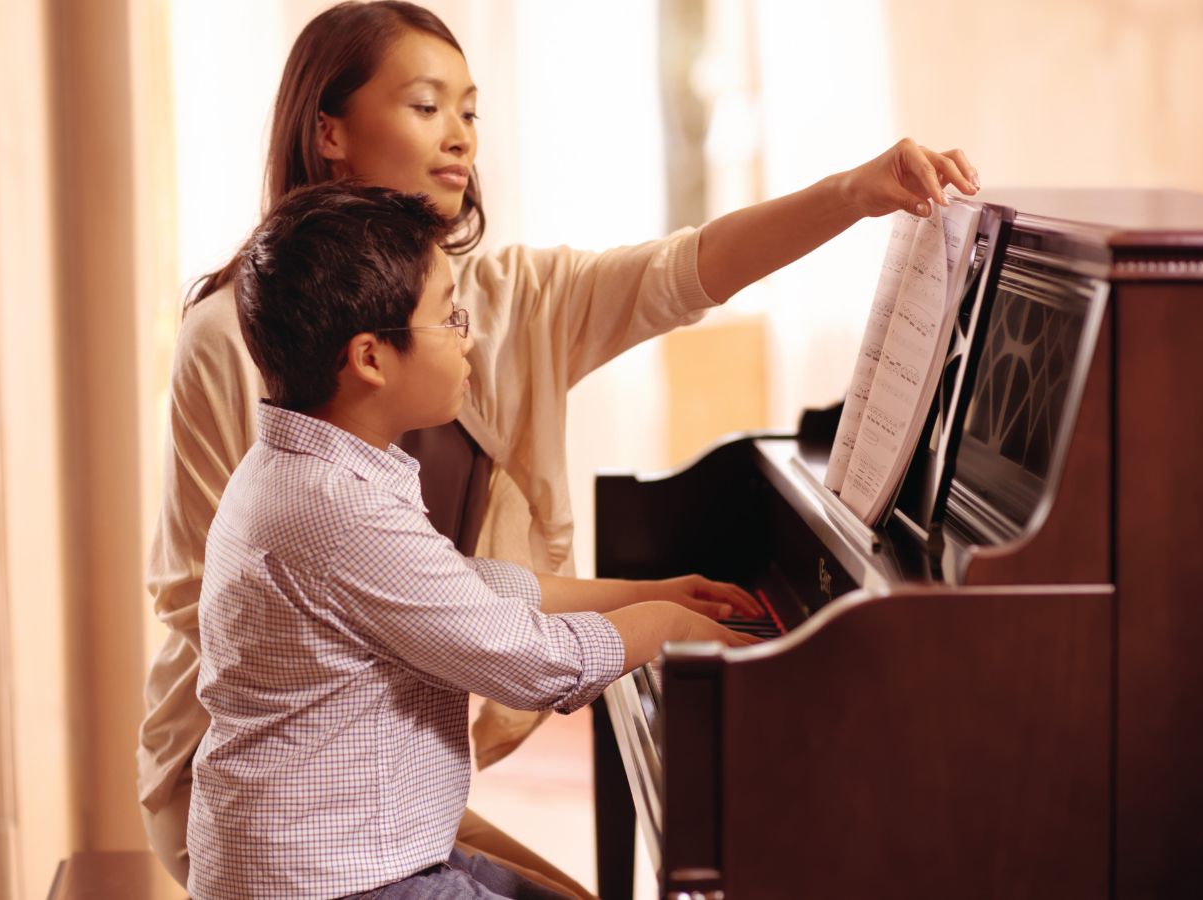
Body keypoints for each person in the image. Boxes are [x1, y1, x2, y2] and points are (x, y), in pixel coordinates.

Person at [139, 0, 981, 890]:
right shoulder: (235, 338)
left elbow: (683, 270)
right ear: (330, 132)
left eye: (470, 111)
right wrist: (625, 627)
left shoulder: (497, 304)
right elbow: (219, 598)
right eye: (426, 106)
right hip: (275, 793)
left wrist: (855, 194)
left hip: (399, 759)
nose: (460, 137)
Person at [187, 180, 761, 900]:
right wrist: (669, 626)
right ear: (370, 357)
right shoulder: (336, 508)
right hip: (334, 882)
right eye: (450, 317)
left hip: (349, 850)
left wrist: (645, 592)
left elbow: (462, 587)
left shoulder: (311, 464)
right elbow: (534, 663)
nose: (471, 336)